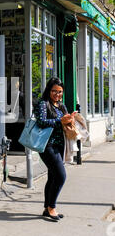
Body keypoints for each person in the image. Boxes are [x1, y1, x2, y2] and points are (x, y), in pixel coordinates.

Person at [34, 77, 76, 222]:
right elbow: (41, 122)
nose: (57, 94)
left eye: (60, 92)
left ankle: (47, 208)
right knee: (61, 176)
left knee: (52, 177)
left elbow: (65, 122)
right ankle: (52, 207)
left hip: (59, 144)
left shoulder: (61, 106)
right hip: (46, 145)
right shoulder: (43, 104)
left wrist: (71, 118)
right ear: (49, 90)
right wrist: (59, 120)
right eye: (54, 91)